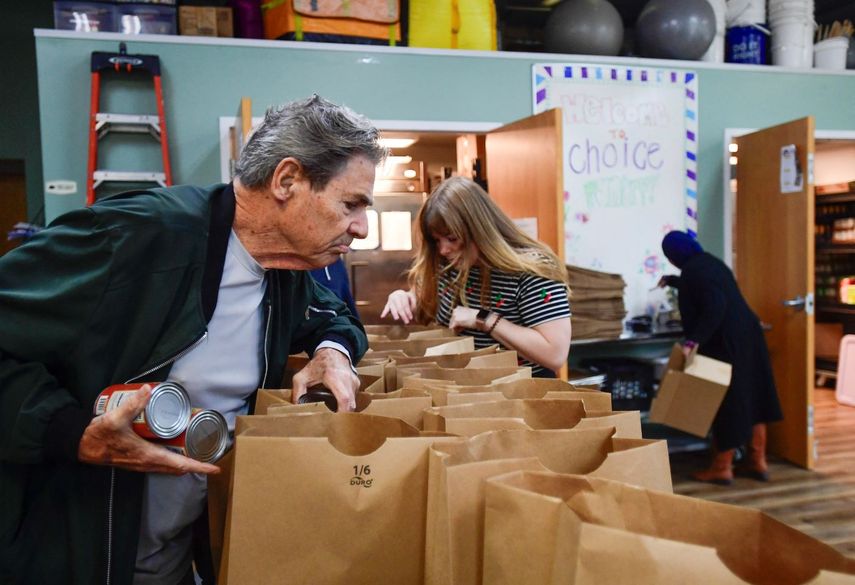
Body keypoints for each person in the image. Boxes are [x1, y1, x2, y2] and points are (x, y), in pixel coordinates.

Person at [0, 95, 385, 585]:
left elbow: (332, 316)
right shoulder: (133, 237)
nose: (361, 227)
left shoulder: (285, 271)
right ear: (287, 180)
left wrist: (333, 351)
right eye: (351, 204)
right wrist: (70, 431)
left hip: (176, 559)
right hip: (75, 555)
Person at [381, 176, 571, 378]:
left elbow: (555, 354)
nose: (443, 249)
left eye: (452, 238)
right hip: (463, 389)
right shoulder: (447, 265)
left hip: (521, 396)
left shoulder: (531, 272)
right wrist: (405, 298)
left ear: (479, 230)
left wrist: (483, 319)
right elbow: (420, 297)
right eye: (437, 240)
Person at [659, 230, 783, 485]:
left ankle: (722, 467)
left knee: (727, 401)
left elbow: (715, 305)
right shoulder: (710, 263)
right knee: (755, 396)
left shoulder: (694, 271)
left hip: (725, 343)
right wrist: (673, 281)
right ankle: (757, 462)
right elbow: (710, 289)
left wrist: (693, 341)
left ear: (673, 256)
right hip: (748, 335)